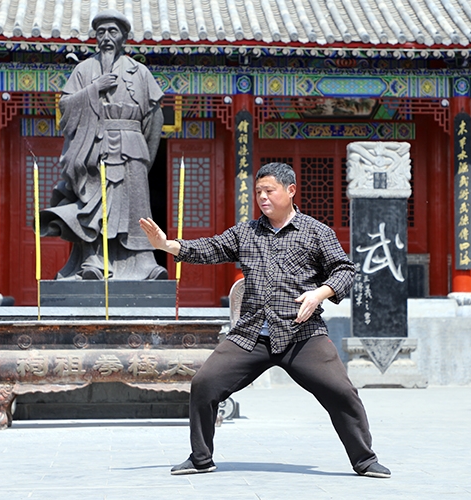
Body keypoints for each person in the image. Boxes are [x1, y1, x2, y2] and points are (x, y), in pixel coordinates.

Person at [139, 162, 391, 478]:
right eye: (258, 192)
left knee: (342, 392)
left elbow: (345, 270)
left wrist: (318, 294)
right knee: (204, 383)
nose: (262, 197)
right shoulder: (246, 232)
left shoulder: (316, 232)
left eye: (269, 190)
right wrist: (167, 245)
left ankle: (364, 460)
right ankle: (201, 457)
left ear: (290, 191)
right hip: (252, 333)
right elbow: (210, 248)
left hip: (302, 333)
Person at [40, 9, 167, 281]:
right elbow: (65, 107)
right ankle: (93, 262)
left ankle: (143, 265)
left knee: (135, 209)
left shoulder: (140, 73)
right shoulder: (83, 70)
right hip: (94, 149)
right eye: (101, 32)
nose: (107, 38)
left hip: (131, 149)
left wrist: (145, 156)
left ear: (124, 37)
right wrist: (94, 88)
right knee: (94, 205)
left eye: (113, 32)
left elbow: (153, 119)